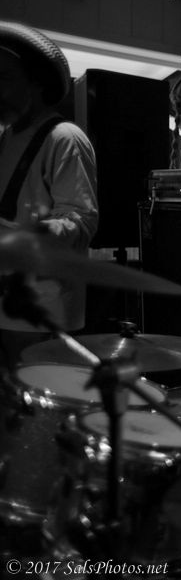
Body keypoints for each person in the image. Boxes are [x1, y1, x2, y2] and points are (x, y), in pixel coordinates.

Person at [0, 21, 99, 368]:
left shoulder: (64, 137)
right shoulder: (6, 138)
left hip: (41, 312)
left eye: (4, 77)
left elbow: (81, 220)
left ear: (36, 82)